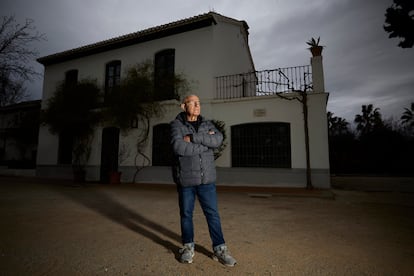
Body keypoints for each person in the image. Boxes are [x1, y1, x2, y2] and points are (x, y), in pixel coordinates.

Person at [170, 94, 237, 267]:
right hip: (186, 180)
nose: (198, 106)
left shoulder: (207, 124)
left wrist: (193, 139)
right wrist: (207, 143)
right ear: (184, 106)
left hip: (207, 179)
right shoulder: (177, 125)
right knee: (186, 215)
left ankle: (220, 249)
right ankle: (187, 247)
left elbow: (218, 139)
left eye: (199, 103)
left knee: (213, 215)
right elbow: (178, 147)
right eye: (194, 103)